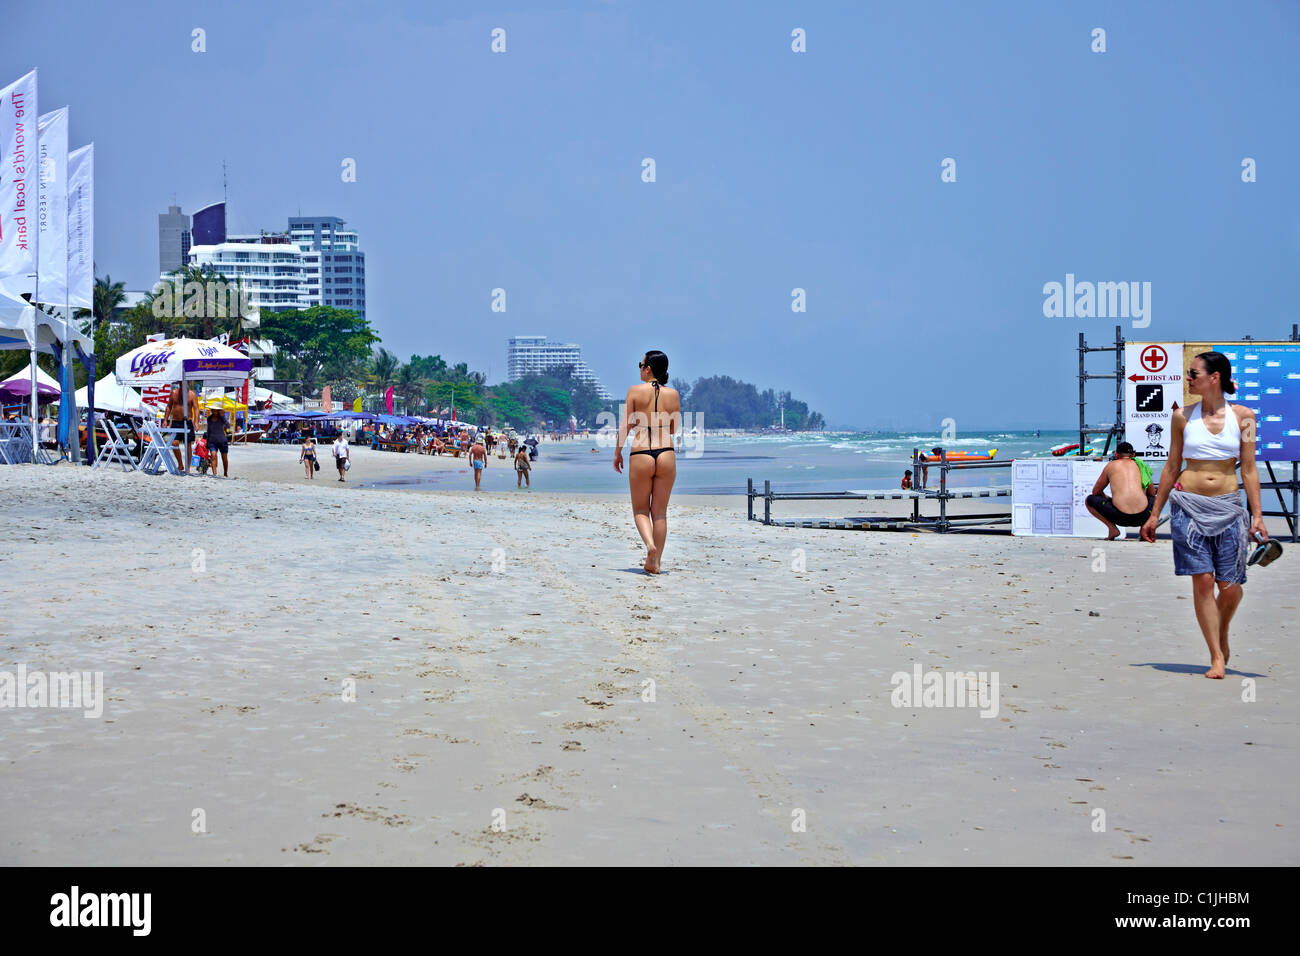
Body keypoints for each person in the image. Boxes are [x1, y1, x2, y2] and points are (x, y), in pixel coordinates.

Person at [1141, 351, 1267, 680]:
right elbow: (1171, 466)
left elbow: (1250, 470)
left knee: (1230, 586)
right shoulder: (1182, 416)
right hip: (1188, 506)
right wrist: (1155, 513)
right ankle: (1216, 656)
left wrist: (1258, 515)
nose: (1188, 378)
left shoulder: (1245, 417)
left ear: (1214, 378)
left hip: (1228, 505)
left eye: (1193, 373)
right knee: (1204, 581)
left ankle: (1221, 630)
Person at [614, 350, 679, 574]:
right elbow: (674, 428)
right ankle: (656, 562)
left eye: (640, 364)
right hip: (666, 452)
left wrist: (617, 452)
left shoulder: (634, 391)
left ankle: (649, 546)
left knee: (641, 509)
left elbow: (625, 426)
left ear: (648, 368)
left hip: (642, 451)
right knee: (659, 512)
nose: (639, 368)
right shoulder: (674, 394)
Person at [1085, 442, 1152, 540]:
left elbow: (1096, 492)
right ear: (1133, 455)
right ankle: (1144, 528)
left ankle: (1112, 529)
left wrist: (1108, 499)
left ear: (1116, 454)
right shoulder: (1141, 465)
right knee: (1155, 499)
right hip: (1142, 516)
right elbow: (1152, 493)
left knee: (1089, 500)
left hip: (1119, 516)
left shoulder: (1111, 465)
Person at [163, 381, 200, 473]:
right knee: (174, 443)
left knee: (188, 445)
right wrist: (165, 420)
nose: (183, 383)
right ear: (179, 382)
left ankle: (187, 468)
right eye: (181, 382)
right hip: (175, 422)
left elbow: (196, 409)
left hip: (187, 422)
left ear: (188, 382)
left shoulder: (192, 394)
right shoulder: (174, 393)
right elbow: (169, 407)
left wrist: (196, 423)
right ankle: (180, 463)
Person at [206, 408, 230, 478]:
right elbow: (208, 430)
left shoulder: (222, 418)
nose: (213, 411)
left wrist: (223, 416)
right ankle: (214, 474)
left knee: (224, 459)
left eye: (215, 409)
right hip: (212, 441)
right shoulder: (209, 419)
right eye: (212, 409)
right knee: (213, 455)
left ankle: (225, 473)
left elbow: (228, 425)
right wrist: (207, 441)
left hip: (222, 440)